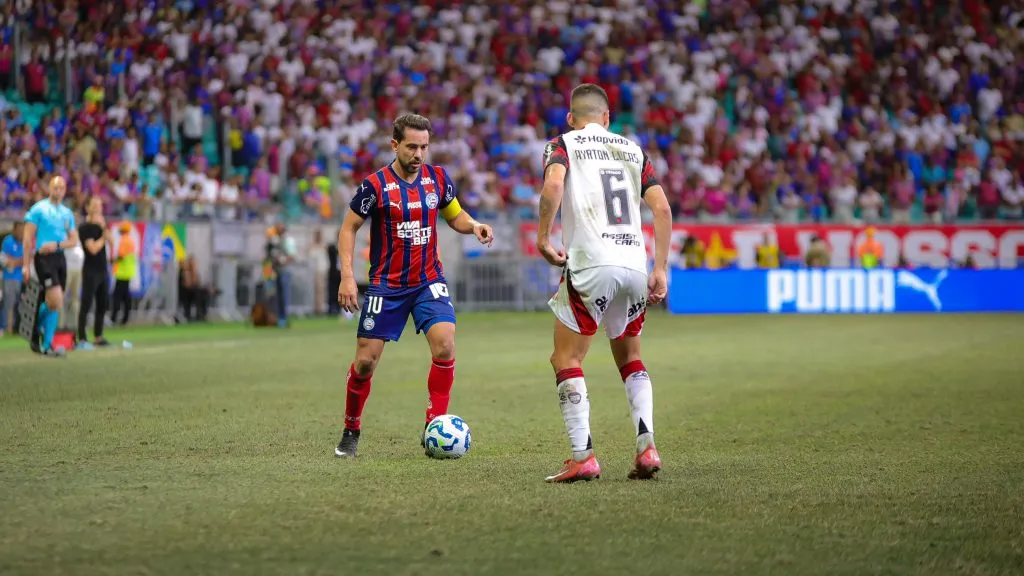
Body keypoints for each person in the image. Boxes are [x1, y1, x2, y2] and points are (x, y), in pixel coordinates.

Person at [335, 113, 494, 458]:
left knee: (445, 346)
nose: (419, 154)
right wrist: (348, 276)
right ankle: (351, 428)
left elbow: (455, 216)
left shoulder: (438, 179)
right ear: (395, 145)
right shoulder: (374, 186)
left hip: (428, 281)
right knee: (365, 363)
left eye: (424, 146)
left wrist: (474, 225)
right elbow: (348, 228)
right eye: (411, 146)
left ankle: (434, 424)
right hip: (385, 286)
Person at [535, 84, 673, 483]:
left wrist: (544, 238)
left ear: (571, 118)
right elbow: (661, 207)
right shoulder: (633, 150)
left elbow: (554, 186)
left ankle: (583, 456)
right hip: (633, 263)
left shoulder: (563, 144)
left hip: (592, 263)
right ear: (608, 118)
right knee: (630, 358)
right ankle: (647, 448)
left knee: (566, 358)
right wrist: (660, 268)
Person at [22, 176, 79, 356]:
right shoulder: (38, 209)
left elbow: (74, 240)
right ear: (49, 188)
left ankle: (46, 345)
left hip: (59, 257)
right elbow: (27, 238)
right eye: (55, 187)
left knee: (54, 305)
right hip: (43, 259)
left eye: (62, 188)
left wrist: (57, 245)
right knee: (56, 300)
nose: (58, 190)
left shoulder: (66, 213)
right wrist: (25, 264)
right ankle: (36, 331)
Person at [77, 196, 110, 348]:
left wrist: (103, 230)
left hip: (103, 269)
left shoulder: (101, 227)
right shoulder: (85, 228)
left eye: (100, 206)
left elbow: (111, 242)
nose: (98, 209)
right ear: (88, 208)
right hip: (90, 270)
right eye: (95, 205)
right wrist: (104, 236)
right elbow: (93, 249)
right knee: (86, 303)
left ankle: (98, 336)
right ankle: (82, 337)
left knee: (102, 304)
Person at [1, 221, 25, 338]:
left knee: (19, 305)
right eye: (19, 230)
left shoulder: (25, 242)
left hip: (21, 278)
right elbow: (5, 261)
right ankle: (3, 327)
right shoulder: (8, 241)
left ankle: (16, 328)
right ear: (14, 230)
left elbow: (27, 259)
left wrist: (14, 261)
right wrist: (19, 261)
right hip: (9, 278)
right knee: (7, 303)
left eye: (23, 230)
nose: (21, 232)